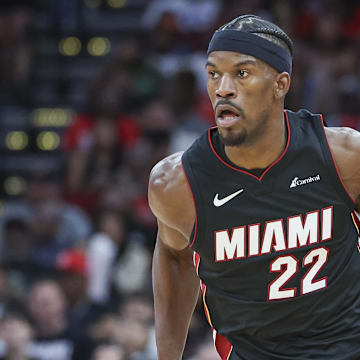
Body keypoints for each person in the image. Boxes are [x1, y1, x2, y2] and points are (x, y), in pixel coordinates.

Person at [148, 14, 360, 360]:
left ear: (280, 84)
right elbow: (173, 256)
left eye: (241, 74)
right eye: (214, 74)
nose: (223, 88)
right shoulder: (176, 184)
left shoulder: (344, 157)